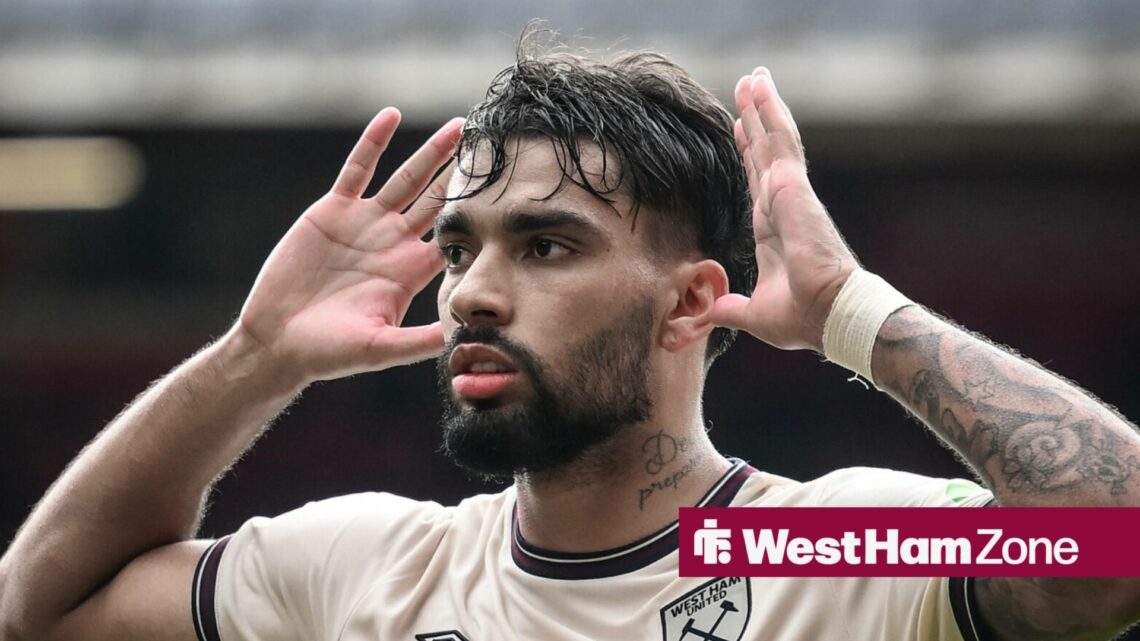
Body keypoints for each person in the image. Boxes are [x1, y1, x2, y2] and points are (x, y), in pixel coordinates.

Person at [2, 36, 1139, 641]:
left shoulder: (816, 550)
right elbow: (38, 608)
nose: (473, 295)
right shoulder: (365, 567)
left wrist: (855, 315)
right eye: (458, 250)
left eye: (545, 245)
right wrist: (259, 354)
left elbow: (1117, 545)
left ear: (693, 300)